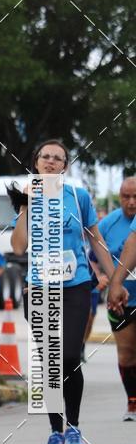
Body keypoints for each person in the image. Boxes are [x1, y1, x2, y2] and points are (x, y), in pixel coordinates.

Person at [10, 139, 115, 444]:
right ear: (36, 162)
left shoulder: (77, 197)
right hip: (39, 287)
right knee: (48, 361)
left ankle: (75, 426)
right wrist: (26, 206)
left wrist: (115, 279)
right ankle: (57, 432)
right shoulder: (26, 196)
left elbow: (96, 241)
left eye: (58, 158)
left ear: (65, 166)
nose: (52, 162)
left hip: (76, 286)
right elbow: (17, 247)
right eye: (46, 157)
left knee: (69, 355)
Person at [100, 178, 136, 419]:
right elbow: (92, 253)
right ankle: (132, 403)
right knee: (126, 353)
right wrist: (102, 277)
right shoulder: (108, 223)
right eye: (126, 196)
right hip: (122, 299)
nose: (131, 202)